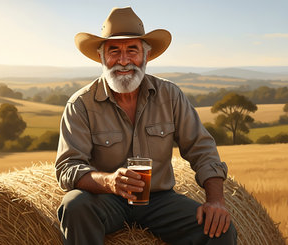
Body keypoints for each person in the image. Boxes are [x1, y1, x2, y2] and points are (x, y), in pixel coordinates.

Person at [55, 6, 237, 245]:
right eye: (114, 51)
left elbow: (202, 150)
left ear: (146, 55)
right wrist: (109, 182)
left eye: (132, 50)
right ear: (101, 57)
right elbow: (67, 168)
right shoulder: (80, 104)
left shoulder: (170, 95)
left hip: (160, 201)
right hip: (106, 199)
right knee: (74, 206)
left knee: (220, 230)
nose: (123, 60)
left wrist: (215, 201)